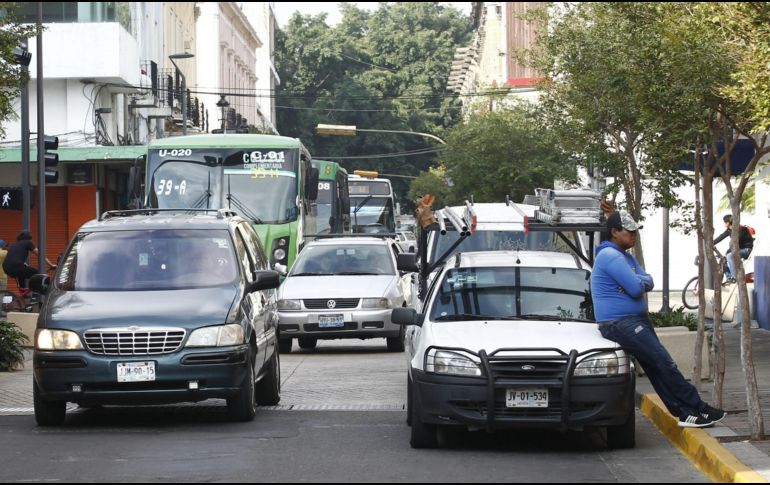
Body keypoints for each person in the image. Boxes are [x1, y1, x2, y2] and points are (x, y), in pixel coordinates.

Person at [592, 211, 726, 428]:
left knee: (656, 367)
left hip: (635, 320)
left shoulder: (626, 256)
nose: (634, 235)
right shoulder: (610, 255)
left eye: (636, 230)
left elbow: (649, 280)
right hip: (621, 323)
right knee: (664, 362)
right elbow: (637, 288)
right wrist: (636, 282)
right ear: (614, 232)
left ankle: (685, 413)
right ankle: (696, 406)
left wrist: (635, 281)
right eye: (629, 231)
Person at [714, 214, 754, 283]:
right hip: (737, 250)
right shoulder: (729, 230)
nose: (723, 224)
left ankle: (735, 277)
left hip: (746, 250)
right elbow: (721, 237)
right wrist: (711, 243)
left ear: (728, 223)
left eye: (724, 222)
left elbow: (736, 242)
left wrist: (728, 251)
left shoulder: (741, 229)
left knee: (729, 255)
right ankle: (729, 277)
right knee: (723, 259)